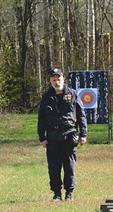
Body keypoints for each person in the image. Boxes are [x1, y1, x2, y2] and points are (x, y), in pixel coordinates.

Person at [37, 67, 87, 202]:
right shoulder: (46, 97)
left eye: (58, 78)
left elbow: (81, 115)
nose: (56, 80)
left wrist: (83, 134)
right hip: (52, 138)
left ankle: (69, 193)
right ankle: (57, 194)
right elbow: (41, 118)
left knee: (69, 167)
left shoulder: (73, 94)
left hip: (69, 136)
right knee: (54, 168)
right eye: (53, 79)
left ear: (63, 79)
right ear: (50, 81)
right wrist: (42, 137)